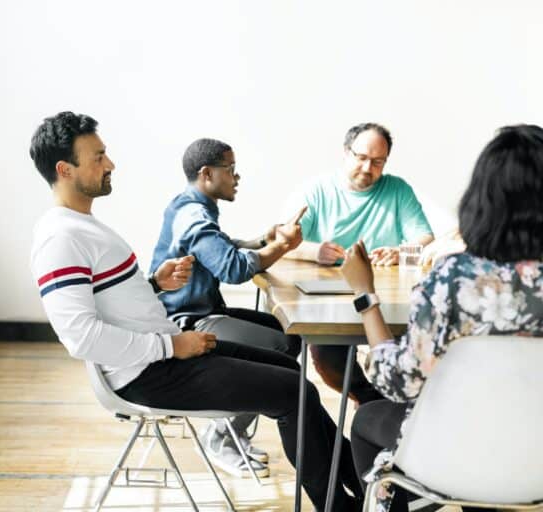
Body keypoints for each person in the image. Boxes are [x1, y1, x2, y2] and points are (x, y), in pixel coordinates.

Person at [29, 111, 363, 511]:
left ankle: (361, 486)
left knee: (292, 373)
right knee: (295, 393)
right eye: (98, 157)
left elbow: (108, 298)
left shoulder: (83, 226)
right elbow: (80, 337)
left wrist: (153, 283)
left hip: (165, 352)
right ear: (65, 170)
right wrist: (173, 347)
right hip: (150, 372)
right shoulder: (59, 239)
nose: (110, 164)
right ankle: (341, 505)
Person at [340, 124, 543, 512]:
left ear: (485, 196)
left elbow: (396, 382)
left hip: (454, 458)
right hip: (537, 459)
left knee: (367, 420)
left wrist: (365, 296)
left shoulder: (454, 279)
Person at [149, 138, 305, 478]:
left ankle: (229, 432)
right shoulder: (194, 214)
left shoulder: (191, 205)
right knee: (279, 346)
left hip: (201, 310)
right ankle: (220, 436)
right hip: (188, 322)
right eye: (230, 169)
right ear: (207, 173)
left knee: (289, 335)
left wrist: (263, 242)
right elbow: (232, 268)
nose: (237, 177)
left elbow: (223, 247)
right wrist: (282, 247)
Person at [284, 122, 435, 405]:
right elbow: (281, 240)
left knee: (416, 343)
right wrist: (315, 252)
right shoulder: (316, 190)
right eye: (361, 158)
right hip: (330, 299)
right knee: (327, 355)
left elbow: (426, 238)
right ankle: (369, 400)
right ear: (346, 152)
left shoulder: (398, 189)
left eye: (378, 162)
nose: (368, 168)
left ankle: (385, 402)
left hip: (387, 299)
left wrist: (403, 253)